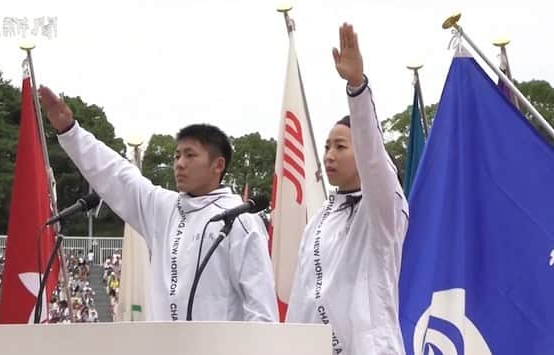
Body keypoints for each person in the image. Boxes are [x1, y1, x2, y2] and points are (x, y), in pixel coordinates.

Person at [38, 86, 278, 322]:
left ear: (218, 165)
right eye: (177, 156)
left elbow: (262, 311)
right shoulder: (164, 208)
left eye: (190, 155)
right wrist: (69, 131)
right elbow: (116, 174)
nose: (180, 163)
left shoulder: (241, 220)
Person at [286, 23, 409, 354]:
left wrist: (357, 87)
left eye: (340, 147)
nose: (329, 155)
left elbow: (374, 161)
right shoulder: (318, 221)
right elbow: (302, 296)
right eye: (326, 147)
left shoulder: (384, 210)